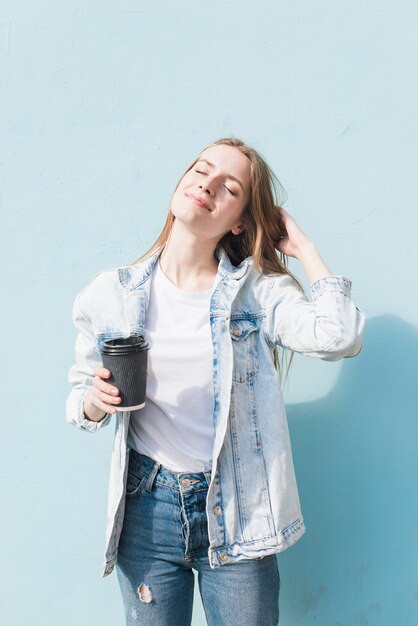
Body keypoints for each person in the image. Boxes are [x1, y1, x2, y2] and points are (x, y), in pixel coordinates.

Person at [66, 137, 366, 625]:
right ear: (183, 180)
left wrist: (303, 249)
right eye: (201, 169)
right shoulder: (111, 294)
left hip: (239, 507)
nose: (206, 184)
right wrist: (95, 401)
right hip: (148, 508)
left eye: (228, 187)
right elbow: (79, 399)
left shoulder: (256, 294)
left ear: (240, 220)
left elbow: (341, 336)